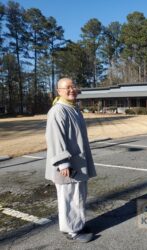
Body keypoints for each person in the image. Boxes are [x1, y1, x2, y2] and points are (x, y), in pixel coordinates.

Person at [45, 78, 96, 243]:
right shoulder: (58, 111)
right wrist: (63, 163)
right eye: (67, 87)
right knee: (69, 198)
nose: (71, 90)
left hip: (78, 163)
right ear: (59, 91)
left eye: (73, 86)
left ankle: (77, 224)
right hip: (68, 165)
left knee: (79, 196)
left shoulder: (73, 109)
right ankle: (72, 231)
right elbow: (55, 138)